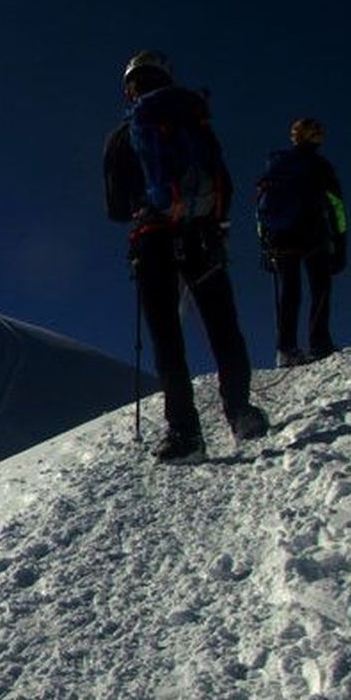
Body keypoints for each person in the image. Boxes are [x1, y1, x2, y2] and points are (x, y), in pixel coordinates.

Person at [104, 50, 269, 461]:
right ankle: (240, 411)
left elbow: (116, 208)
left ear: (130, 86)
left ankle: (185, 434)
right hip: (203, 237)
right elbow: (223, 182)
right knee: (223, 328)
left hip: (151, 240)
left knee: (167, 340)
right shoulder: (195, 120)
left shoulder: (123, 135)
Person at [256, 117, 347, 366]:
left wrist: (264, 242)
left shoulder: (275, 165)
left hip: (280, 237)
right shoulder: (320, 166)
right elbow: (336, 207)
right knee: (320, 287)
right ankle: (320, 343)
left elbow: (261, 207)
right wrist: (340, 243)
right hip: (312, 234)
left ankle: (286, 350)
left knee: (290, 292)